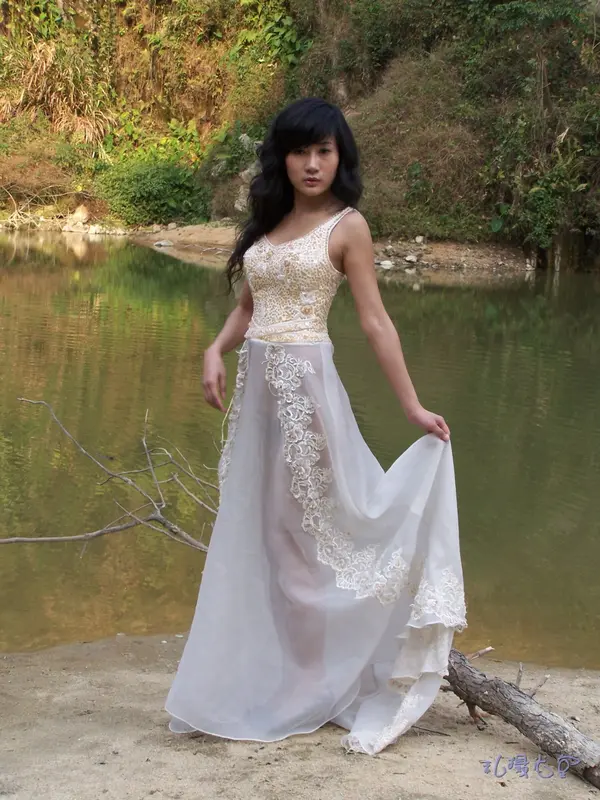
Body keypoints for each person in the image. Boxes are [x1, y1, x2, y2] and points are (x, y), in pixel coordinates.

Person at [165, 97, 467, 756]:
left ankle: (313, 681)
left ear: (339, 157)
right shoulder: (270, 222)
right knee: (271, 539)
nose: (311, 163)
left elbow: (375, 322)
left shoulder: (347, 226)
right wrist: (214, 349)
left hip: (306, 394)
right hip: (257, 401)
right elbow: (250, 308)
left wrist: (412, 407)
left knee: (307, 541)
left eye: (323, 151)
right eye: (299, 151)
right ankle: (295, 672)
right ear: (282, 158)